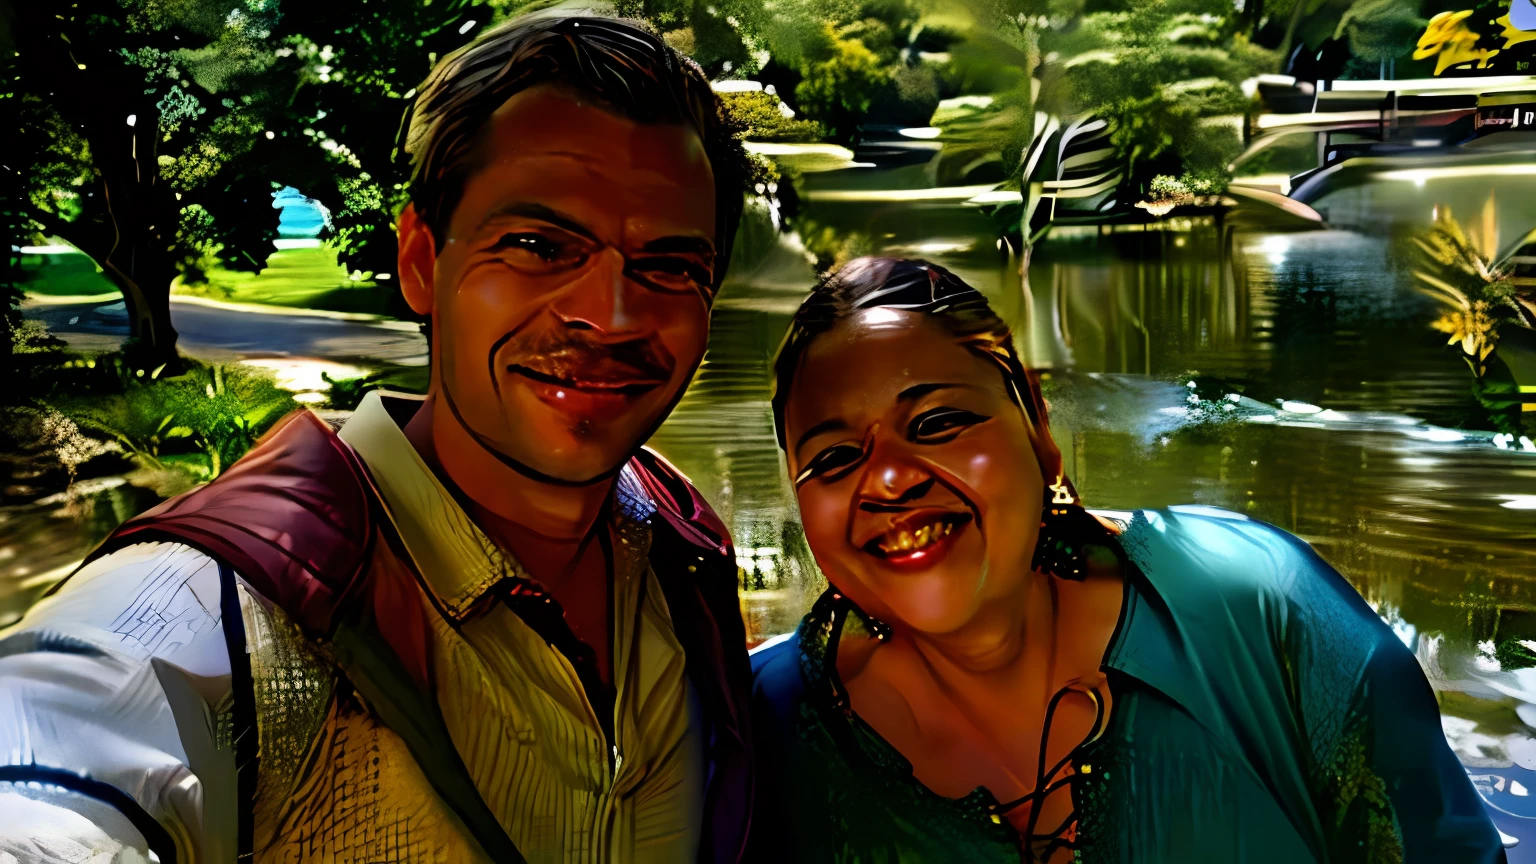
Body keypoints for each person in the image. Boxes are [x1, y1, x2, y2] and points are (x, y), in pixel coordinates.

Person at [0, 14, 756, 863]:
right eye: (540, 245)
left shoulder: (683, 551)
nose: (610, 316)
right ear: (422, 261)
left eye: (670, 265)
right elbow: (59, 764)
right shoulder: (221, 603)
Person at [747, 256, 1505, 863]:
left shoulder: (1257, 606)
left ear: (1038, 427)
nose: (887, 478)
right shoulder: (761, 728)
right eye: (836, 458)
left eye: (939, 421)